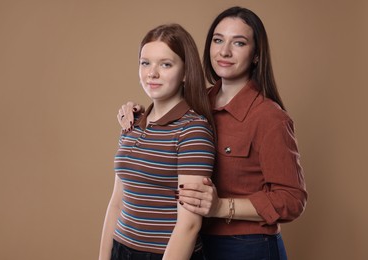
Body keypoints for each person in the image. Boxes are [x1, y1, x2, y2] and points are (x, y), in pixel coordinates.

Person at [117, 6, 307, 260]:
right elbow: (164, 104)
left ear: (256, 55)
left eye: (238, 43)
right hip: (198, 244)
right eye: (218, 40)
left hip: (247, 247)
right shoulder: (199, 102)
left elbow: (292, 199)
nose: (224, 51)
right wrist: (137, 112)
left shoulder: (269, 117)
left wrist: (221, 206)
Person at [98, 23, 216, 260]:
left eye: (166, 64)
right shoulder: (131, 122)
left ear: (184, 73)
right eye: (145, 63)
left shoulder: (193, 130)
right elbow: (117, 203)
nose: (152, 73)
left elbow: (189, 225)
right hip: (121, 249)